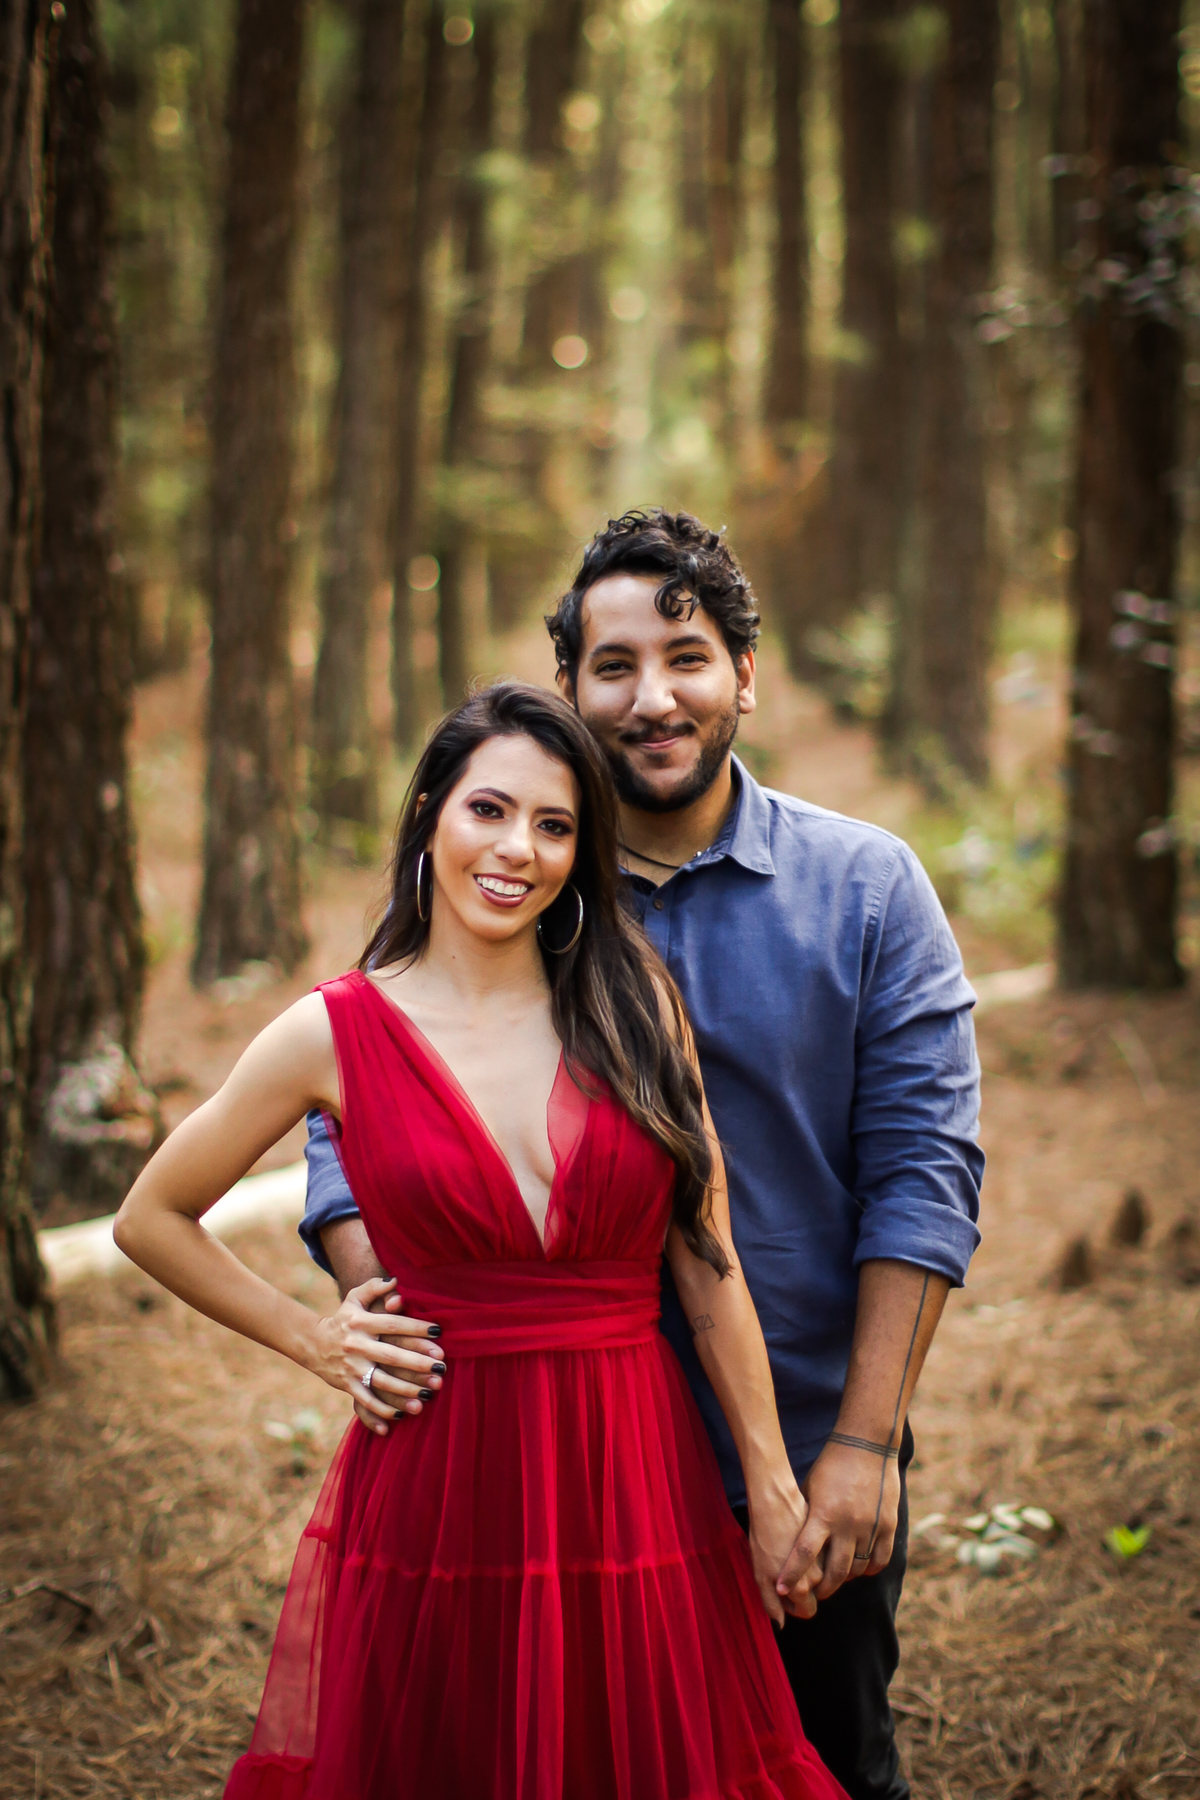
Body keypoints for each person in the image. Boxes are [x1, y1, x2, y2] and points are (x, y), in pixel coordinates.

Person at [304, 510, 984, 1800]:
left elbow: (924, 1176)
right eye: (613, 665)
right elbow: (349, 1123)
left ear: (744, 675)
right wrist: (387, 1315)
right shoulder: (504, 882)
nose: (652, 696)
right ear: (569, 689)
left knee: (819, 1770)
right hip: (529, 1469)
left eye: (685, 656)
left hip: (784, 1458)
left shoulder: (869, 889)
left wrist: (865, 1444)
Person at [114, 681, 850, 1800]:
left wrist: (770, 1482)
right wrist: (318, 1342)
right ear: (430, 818)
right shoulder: (334, 1030)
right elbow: (150, 1216)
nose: (519, 850)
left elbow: (709, 1264)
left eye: (556, 826)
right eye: (489, 811)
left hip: (633, 1474)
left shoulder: (633, 1006)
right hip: (442, 1479)